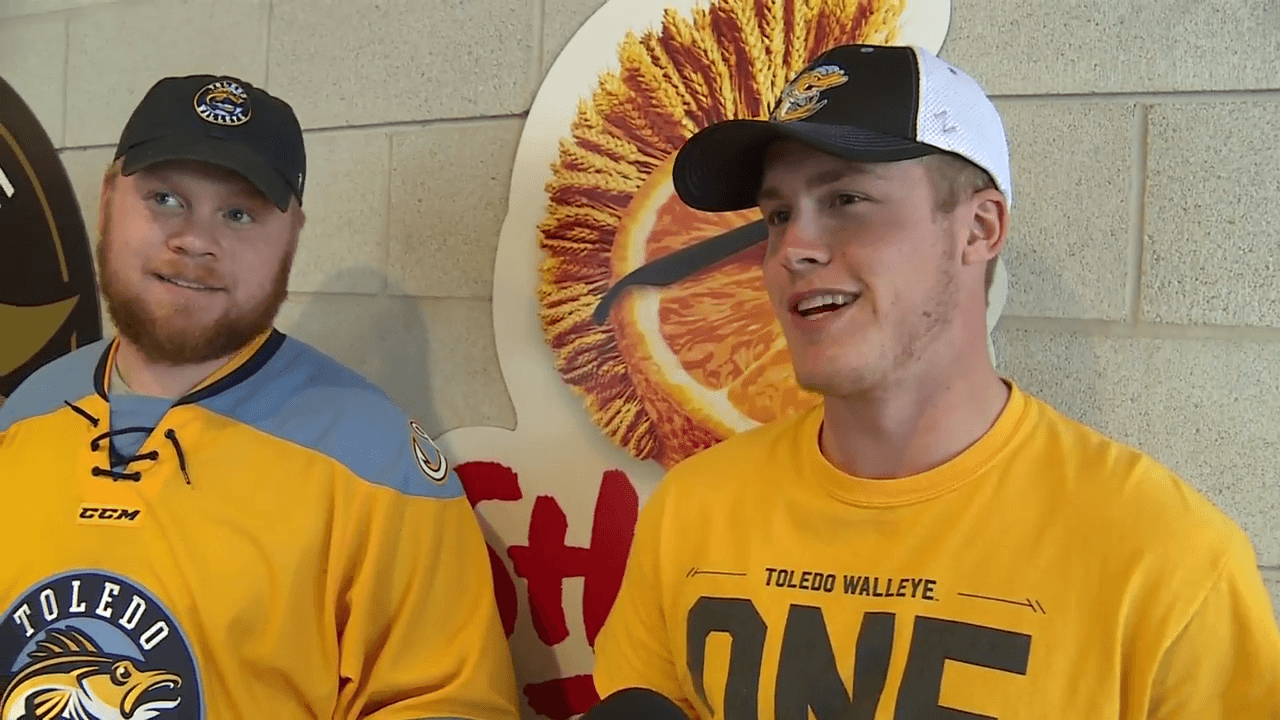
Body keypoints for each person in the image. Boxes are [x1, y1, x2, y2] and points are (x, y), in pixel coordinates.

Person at [591, 43, 1280, 719]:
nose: (790, 250)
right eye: (778, 215)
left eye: (847, 198)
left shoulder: (1167, 560)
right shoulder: (692, 514)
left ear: (979, 229)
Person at [0, 74, 520, 719]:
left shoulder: (378, 463)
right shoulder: (23, 415)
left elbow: (450, 704)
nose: (194, 240)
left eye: (238, 213)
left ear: (292, 235)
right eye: (165, 198)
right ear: (109, 200)